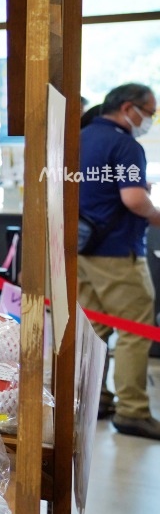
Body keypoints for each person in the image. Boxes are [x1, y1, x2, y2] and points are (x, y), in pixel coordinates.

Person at [78, 82, 160, 439]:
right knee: (134, 330)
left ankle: (95, 400)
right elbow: (134, 200)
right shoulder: (126, 145)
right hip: (117, 252)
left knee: (94, 330)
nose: (150, 119)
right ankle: (133, 412)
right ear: (129, 108)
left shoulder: (78, 138)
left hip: (79, 250)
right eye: (150, 111)